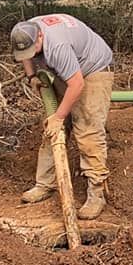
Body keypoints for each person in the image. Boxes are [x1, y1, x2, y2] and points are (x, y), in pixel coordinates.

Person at [11, 13, 114, 220]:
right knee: (52, 127)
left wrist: (59, 116)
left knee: (88, 129)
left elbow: (76, 84)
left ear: (40, 37)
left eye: (34, 49)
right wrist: (32, 76)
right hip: (69, 70)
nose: (31, 54)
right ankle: (45, 184)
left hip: (92, 70)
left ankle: (96, 194)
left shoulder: (57, 46)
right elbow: (26, 55)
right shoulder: (24, 31)